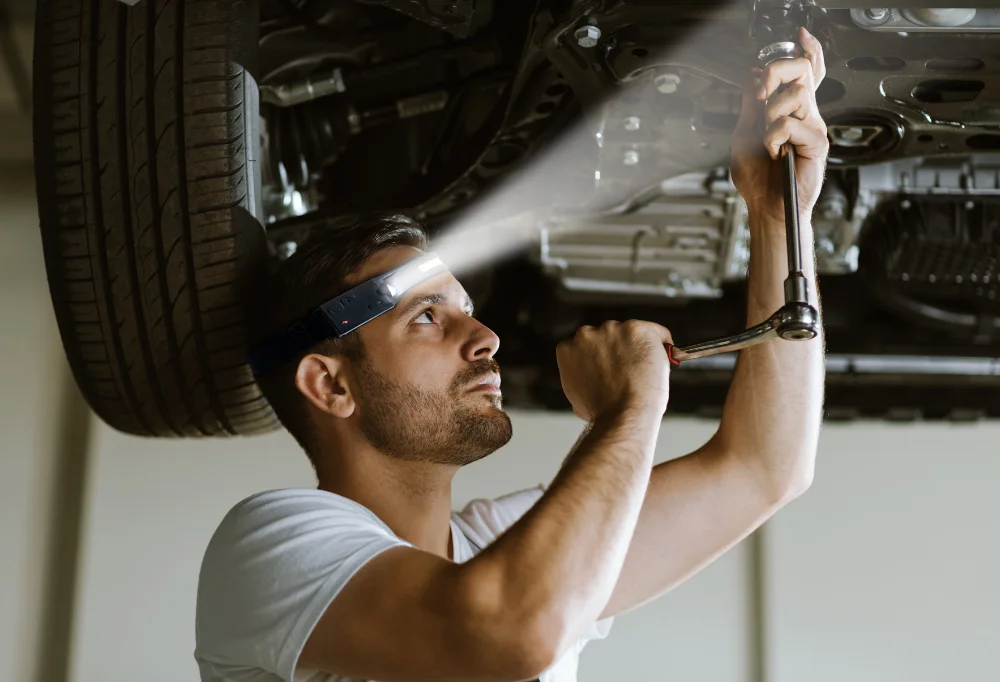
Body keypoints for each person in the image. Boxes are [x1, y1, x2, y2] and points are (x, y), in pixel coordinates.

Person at [194, 27, 829, 682]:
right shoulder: (273, 545)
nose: (485, 337)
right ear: (330, 386)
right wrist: (629, 410)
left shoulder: (511, 547)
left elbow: (764, 465)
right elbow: (512, 632)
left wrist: (779, 217)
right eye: (427, 318)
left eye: (467, 309)